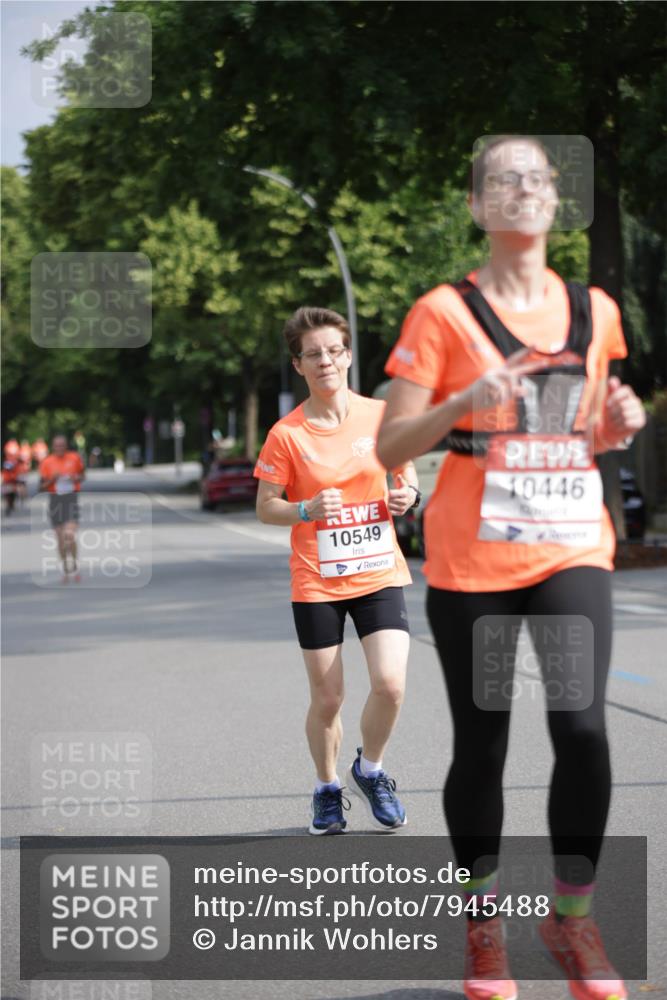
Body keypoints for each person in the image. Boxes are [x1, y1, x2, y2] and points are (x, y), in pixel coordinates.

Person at [377, 136, 646, 1000]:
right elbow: (390, 442)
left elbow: (580, 433)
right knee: (482, 747)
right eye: (503, 179)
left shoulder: (593, 309)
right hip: (473, 561)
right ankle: (481, 927)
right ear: (476, 205)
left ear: (555, 200)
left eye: (537, 177)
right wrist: (463, 400)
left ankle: (570, 922)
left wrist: (618, 424)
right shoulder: (442, 313)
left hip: (571, 543)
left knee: (582, 732)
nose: (522, 189)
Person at [254, 306, 421, 836]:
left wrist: (408, 494)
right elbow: (265, 506)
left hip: (378, 572)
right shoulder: (287, 434)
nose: (324, 360)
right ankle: (327, 788)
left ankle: (369, 770)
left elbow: (406, 470)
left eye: (332, 350)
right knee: (328, 699)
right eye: (312, 355)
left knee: (391, 685)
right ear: (298, 365)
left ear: (347, 356)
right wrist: (305, 510)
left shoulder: (380, 414)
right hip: (317, 579)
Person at [39, 434, 86, 583]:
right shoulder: (47, 462)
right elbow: (41, 487)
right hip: (55, 500)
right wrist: (52, 479)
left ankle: (75, 566)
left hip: (71, 499)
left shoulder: (74, 458)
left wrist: (75, 478)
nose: (60, 448)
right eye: (57, 445)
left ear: (66, 446)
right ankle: (66, 568)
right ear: (53, 447)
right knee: (60, 539)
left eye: (62, 445)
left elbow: (83, 476)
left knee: (70, 535)